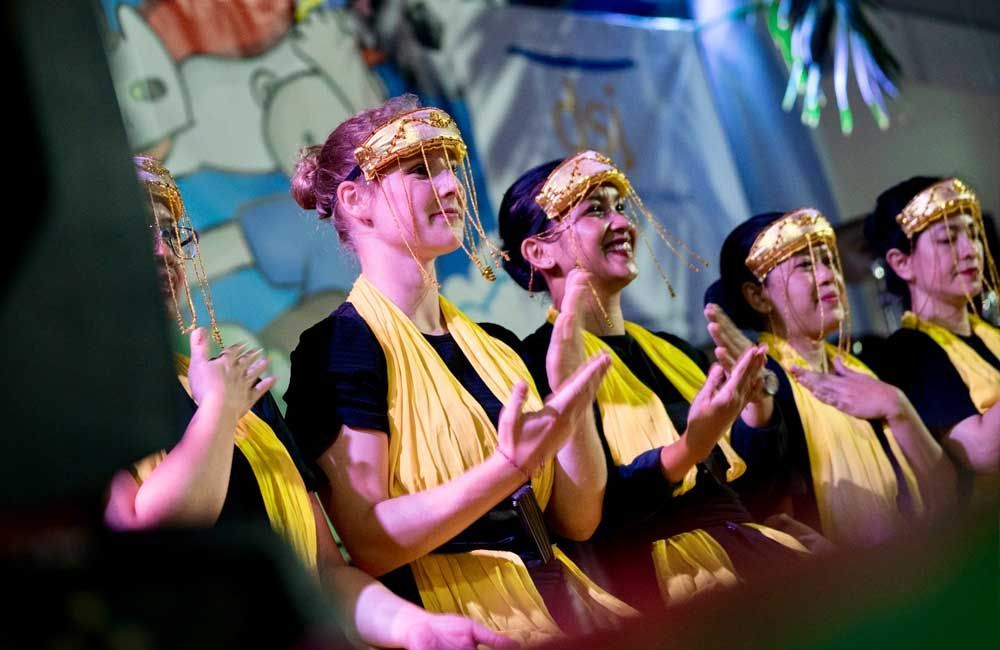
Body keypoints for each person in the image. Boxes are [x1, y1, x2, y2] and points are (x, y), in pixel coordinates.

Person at [104, 155, 517, 650]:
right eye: (136, 226)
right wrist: (214, 414)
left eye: (171, 234)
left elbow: (325, 570)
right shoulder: (83, 400)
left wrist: (415, 627)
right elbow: (144, 541)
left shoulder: (235, 389)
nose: (162, 251)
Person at [284, 96, 636, 645]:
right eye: (420, 169)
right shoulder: (339, 347)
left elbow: (578, 518)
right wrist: (505, 468)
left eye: (450, 166)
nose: (450, 186)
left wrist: (573, 395)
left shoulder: (493, 345)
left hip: (566, 603)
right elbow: (369, 541)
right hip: (459, 621)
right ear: (356, 201)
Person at [497, 151, 820, 613]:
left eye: (621, 206)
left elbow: (754, 493)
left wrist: (758, 406)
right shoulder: (531, 363)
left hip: (754, 554)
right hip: (667, 592)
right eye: (594, 209)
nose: (622, 223)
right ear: (539, 251)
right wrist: (688, 448)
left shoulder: (672, 352)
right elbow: (591, 520)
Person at [704, 208, 956, 548]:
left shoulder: (862, 367)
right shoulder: (764, 384)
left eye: (828, 261)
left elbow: (948, 491)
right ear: (758, 296)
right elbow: (768, 512)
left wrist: (897, 406)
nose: (828, 276)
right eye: (806, 265)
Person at [864, 176, 1000, 502]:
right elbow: (981, 451)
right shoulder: (910, 350)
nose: (970, 251)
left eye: (973, 233)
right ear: (902, 263)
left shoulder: (988, 333)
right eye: (948, 239)